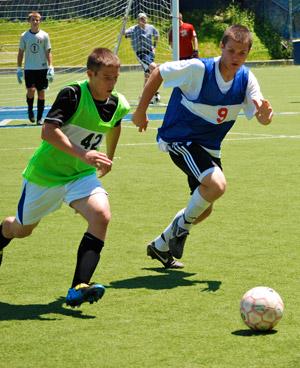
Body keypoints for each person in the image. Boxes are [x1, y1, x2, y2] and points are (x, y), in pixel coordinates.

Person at [132, 25, 273, 269]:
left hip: (208, 147)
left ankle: (161, 245)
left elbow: (260, 115)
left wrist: (265, 116)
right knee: (217, 185)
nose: (235, 58)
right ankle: (181, 229)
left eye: (242, 53)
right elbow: (159, 73)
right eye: (231, 51)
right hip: (180, 138)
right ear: (221, 47)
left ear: (248, 53)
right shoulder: (199, 69)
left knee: (203, 209)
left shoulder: (247, 78)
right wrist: (141, 111)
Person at [0, 47, 130, 307]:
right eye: (106, 78)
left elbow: (114, 125)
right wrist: (85, 154)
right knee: (21, 230)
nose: (112, 83)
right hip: (46, 176)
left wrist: (110, 157)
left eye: (115, 78)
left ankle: (78, 287)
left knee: (101, 216)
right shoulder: (72, 94)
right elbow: (48, 132)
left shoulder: (117, 102)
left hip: (80, 175)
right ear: (90, 74)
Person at [17, 11, 54, 125]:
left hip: (42, 69)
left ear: (40, 21)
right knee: (31, 91)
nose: (35, 21)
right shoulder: (24, 36)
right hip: (29, 69)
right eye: (33, 19)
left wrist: (51, 66)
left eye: (37, 19)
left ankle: (39, 118)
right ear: (29, 21)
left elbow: (48, 52)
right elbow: (20, 52)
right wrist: (19, 68)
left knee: (41, 93)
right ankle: (30, 110)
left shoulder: (44, 35)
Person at [124, 12, 160, 104]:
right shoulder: (133, 29)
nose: (143, 20)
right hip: (141, 54)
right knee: (154, 67)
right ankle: (155, 93)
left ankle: (144, 96)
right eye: (141, 18)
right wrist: (124, 22)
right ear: (138, 20)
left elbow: (157, 35)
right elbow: (124, 33)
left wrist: (154, 47)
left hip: (150, 52)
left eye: (144, 18)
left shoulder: (151, 27)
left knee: (147, 74)